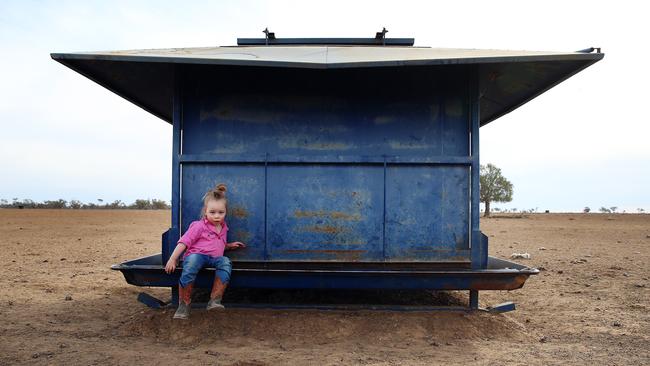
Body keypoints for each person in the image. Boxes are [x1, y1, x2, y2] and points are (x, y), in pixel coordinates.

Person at [164, 183, 246, 319]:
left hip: (214, 258)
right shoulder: (199, 226)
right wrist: (173, 258)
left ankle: (215, 301)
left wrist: (229, 245)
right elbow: (184, 242)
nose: (217, 216)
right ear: (205, 211)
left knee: (225, 261)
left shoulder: (224, 228)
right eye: (212, 212)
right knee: (191, 264)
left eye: (221, 212)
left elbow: (218, 244)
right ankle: (184, 304)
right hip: (197, 255)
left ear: (226, 212)